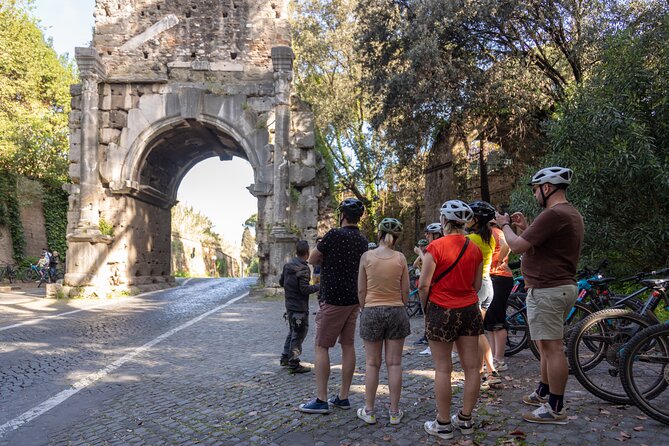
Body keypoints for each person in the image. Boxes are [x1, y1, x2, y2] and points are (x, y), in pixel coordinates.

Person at [495, 166, 583, 425]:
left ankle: (556, 407)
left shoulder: (554, 213)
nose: (534, 195)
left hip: (549, 289)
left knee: (553, 348)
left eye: (535, 190)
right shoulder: (567, 213)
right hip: (554, 287)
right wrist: (525, 228)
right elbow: (538, 248)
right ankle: (544, 390)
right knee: (545, 346)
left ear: (547, 188)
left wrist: (505, 226)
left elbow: (517, 246)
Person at [419, 200, 483, 440]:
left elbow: (424, 284)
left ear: (444, 221)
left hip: (441, 310)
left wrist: (426, 308)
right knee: (472, 368)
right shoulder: (474, 248)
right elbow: (476, 285)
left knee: (443, 368)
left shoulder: (434, 248)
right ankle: (466, 419)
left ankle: (443, 424)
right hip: (469, 310)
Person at [298, 198, 368, 414]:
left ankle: (321, 399)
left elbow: (312, 258)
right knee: (348, 346)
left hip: (333, 299)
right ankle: (343, 397)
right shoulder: (363, 240)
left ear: (342, 216)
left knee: (321, 346)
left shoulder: (334, 234)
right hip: (353, 299)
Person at [356, 218, 410, 425]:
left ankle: (369, 410)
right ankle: (395, 412)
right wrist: (400, 304)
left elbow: (361, 289)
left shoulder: (366, 257)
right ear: (395, 238)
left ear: (378, 234)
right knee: (394, 363)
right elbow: (405, 290)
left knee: (372, 363)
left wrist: (364, 306)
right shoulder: (401, 258)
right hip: (396, 310)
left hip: (371, 310)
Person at [466, 201, 501, 390]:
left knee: (477, 333)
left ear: (476, 219)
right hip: (488, 285)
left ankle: (492, 370)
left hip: (478, 287)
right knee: (478, 330)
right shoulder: (490, 238)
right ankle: (481, 371)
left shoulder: (471, 239)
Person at [279, 240, 320, 374]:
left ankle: (285, 357)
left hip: (289, 305)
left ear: (296, 251)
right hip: (300, 307)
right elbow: (304, 290)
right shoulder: (304, 269)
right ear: (307, 253)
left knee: (292, 332)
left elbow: (281, 282)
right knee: (299, 333)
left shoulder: (287, 266)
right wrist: (320, 286)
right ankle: (293, 362)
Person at [486, 221, 514, 372]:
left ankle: (500, 360)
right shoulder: (490, 233)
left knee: (498, 320)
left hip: (499, 277)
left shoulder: (495, 232)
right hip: (492, 277)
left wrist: (499, 261)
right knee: (490, 321)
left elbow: (506, 246)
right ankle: (494, 357)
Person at [414, 223, 444, 354]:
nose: (426, 236)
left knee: (432, 317)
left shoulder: (433, 248)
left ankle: (433, 345)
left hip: (435, 288)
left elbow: (423, 284)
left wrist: (420, 252)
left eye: (428, 234)